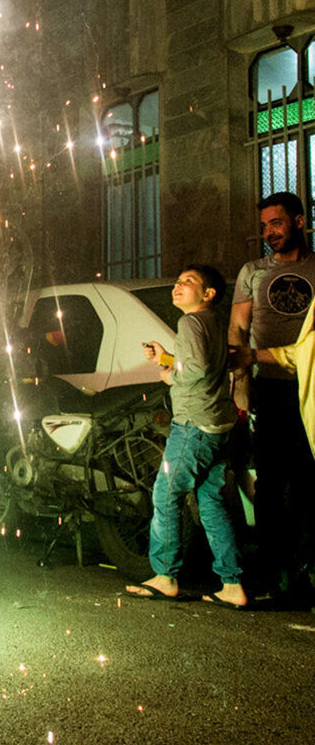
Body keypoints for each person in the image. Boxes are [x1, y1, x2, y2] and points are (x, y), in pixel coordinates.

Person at [126, 265, 247, 609]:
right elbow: (203, 362)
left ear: (207, 294)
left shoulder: (191, 322)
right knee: (211, 503)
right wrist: (165, 357)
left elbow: (194, 370)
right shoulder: (214, 321)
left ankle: (164, 576)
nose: (178, 286)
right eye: (178, 281)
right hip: (218, 424)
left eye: (188, 282)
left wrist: (169, 378)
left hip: (193, 426)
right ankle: (232, 583)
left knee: (166, 495)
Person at [228, 191, 315, 599]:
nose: (269, 233)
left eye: (276, 223)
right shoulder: (253, 271)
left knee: (306, 481)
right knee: (270, 480)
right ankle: (269, 569)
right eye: (264, 226)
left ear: (298, 221)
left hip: (310, 387)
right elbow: (237, 331)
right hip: (271, 388)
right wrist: (241, 381)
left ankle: (300, 568)